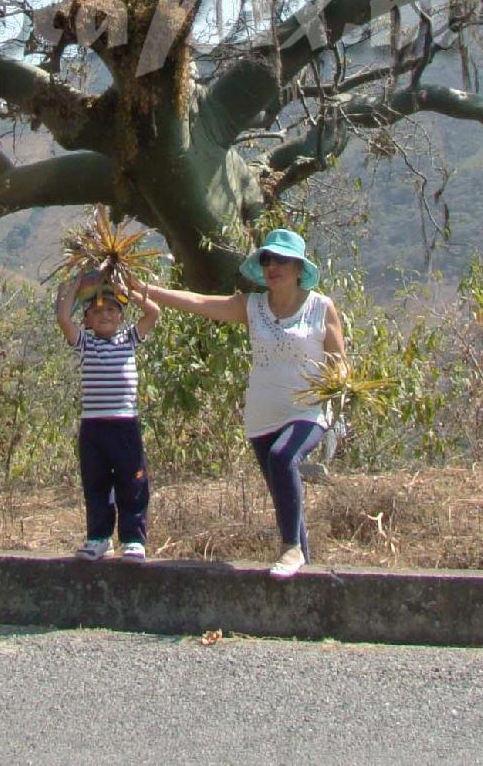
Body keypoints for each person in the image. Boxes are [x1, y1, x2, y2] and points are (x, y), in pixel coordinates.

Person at [125, 227, 346, 580]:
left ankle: (290, 548)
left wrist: (339, 396)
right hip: (262, 414)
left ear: (299, 269)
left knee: (283, 457)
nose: (274, 266)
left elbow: (338, 360)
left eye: (283, 260)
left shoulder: (321, 307)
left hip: (308, 409)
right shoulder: (251, 306)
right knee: (282, 489)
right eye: (268, 259)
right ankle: (302, 569)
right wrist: (147, 291)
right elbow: (198, 302)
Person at [55, 275, 159, 560]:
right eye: (97, 311)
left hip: (125, 425)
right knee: (96, 483)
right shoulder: (85, 343)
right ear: (86, 320)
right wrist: (74, 286)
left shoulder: (129, 338)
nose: (105, 315)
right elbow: (63, 319)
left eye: (111, 310)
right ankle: (99, 538)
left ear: (122, 317)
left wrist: (131, 290)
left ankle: (133, 539)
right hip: (93, 427)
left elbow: (154, 313)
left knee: (132, 482)